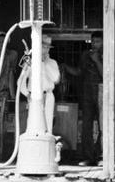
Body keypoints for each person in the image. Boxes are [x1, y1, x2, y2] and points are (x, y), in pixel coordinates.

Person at [66, 30, 103, 166]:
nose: (94, 44)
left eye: (97, 41)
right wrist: (66, 67)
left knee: (102, 125)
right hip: (87, 92)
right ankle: (88, 157)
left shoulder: (106, 54)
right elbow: (79, 72)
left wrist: (97, 60)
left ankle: (101, 156)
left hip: (101, 91)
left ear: (103, 42)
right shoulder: (85, 55)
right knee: (86, 125)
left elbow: (106, 75)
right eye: (93, 41)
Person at [18, 34, 60, 134]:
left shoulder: (52, 63)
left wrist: (45, 63)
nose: (46, 50)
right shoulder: (30, 62)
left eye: (48, 48)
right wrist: (27, 94)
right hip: (34, 97)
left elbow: (56, 79)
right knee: (33, 125)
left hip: (48, 95)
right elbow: (20, 81)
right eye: (43, 47)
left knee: (48, 125)